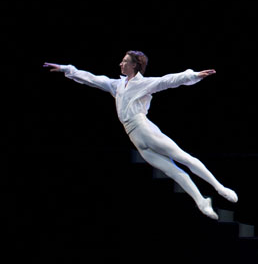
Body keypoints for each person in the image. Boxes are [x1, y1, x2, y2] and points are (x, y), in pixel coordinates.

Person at [43, 51, 237, 220]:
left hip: (144, 128)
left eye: (125, 61)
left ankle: (219, 187)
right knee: (172, 171)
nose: (121, 63)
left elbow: (167, 80)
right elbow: (93, 79)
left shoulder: (142, 84)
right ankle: (201, 201)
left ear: (135, 65)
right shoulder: (117, 85)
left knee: (182, 157)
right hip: (134, 137)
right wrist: (66, 68)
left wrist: (193, 75)